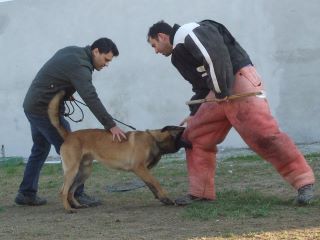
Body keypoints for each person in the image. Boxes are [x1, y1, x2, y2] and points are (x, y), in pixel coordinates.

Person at [147, 20, 315, 205]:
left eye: (154, 45)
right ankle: (201, 193)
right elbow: (200, 86)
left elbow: (216, 57)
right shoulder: (178, 56)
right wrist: (195, 112)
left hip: (238, 82)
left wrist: (220, 93)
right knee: (194, 136)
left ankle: (304, 182)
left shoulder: (190, 32)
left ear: (162, 36)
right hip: (219, 92)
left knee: (263, 135)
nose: (156, 51)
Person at [15, 38, 127, 206]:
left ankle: (26, 193)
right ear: (96, 51)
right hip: (44, 109)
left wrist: (66, 91)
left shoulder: (74, 51)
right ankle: (77, 194)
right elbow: (90, 97)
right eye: (106, 59)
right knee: (74, 147)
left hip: (32, 105)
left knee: (39, 149)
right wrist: (110, 125)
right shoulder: (81, 66)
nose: (106, 64)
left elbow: (56, 73)